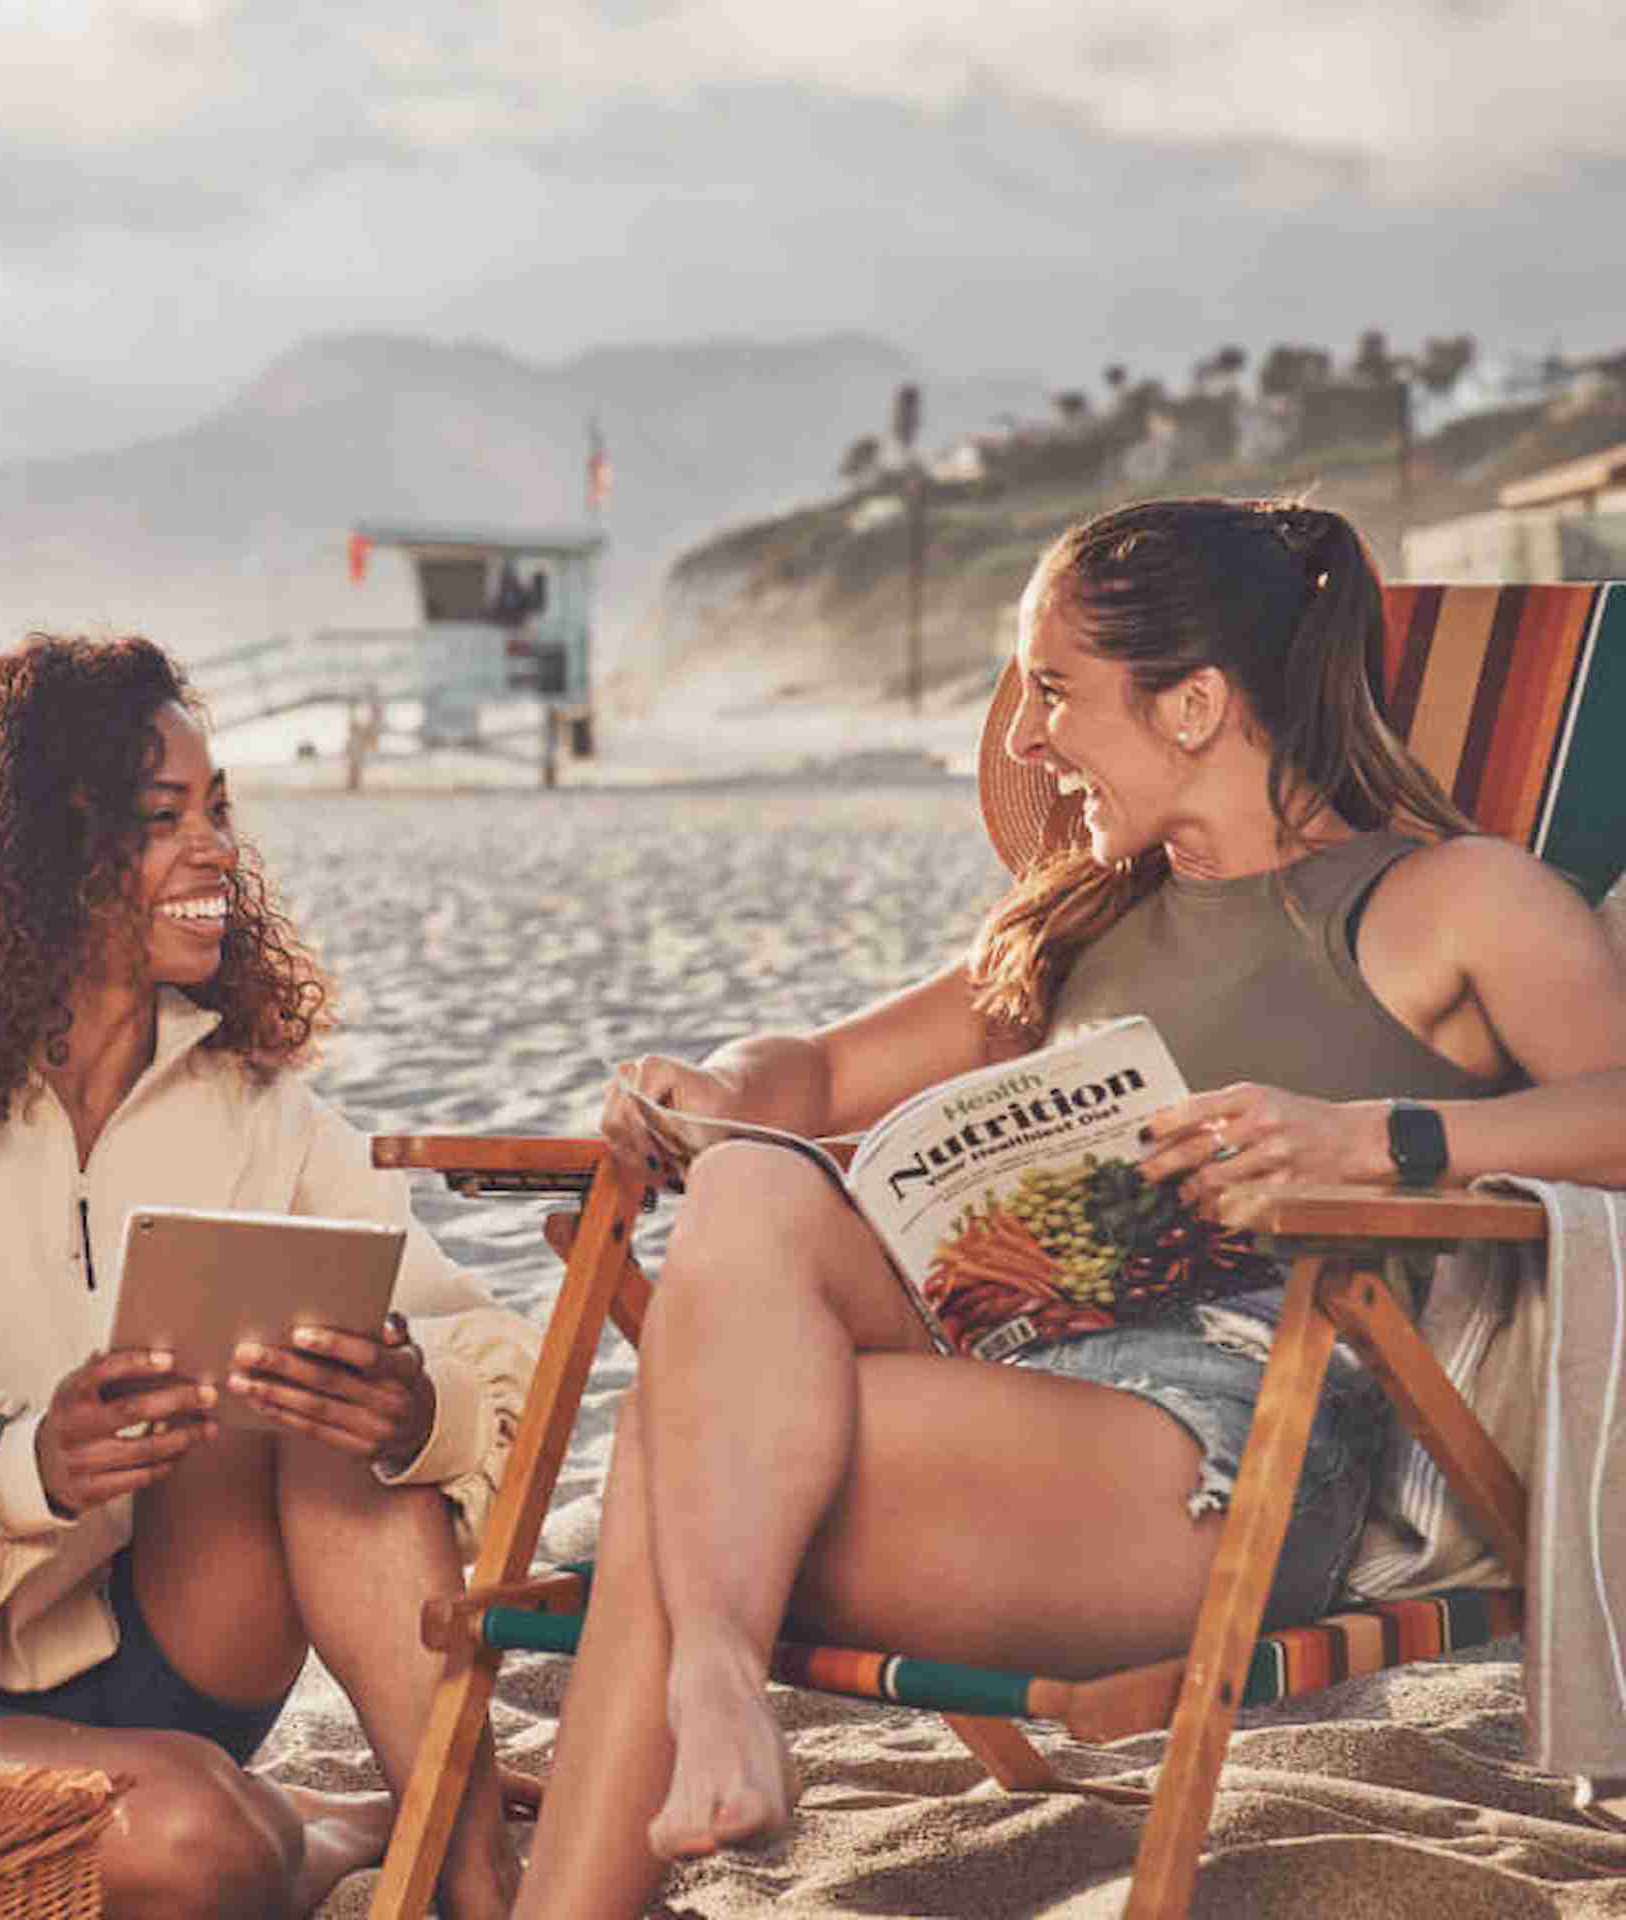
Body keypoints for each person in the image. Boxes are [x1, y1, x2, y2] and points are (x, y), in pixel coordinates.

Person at [508, 496, 1626, 1916]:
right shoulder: (1081, 920)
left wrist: (1383, 1139)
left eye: (1052, 692)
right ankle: (718, 1673)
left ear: (1197, 705)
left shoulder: (1452, 899)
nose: (1028, 743)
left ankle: (663, 1743)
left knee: (683, 1451)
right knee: (747, 1183)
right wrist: (714, 1084)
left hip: (1229, 1463)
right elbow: (823, 1069)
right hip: (1012, 1395)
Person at [0, 634, 540, 1920]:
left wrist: (413, 1404)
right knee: (206, 1847)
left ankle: (471, 1872)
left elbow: (486, 1349)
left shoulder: (252, 1103)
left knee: (339, 1394)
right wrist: (30, 1467)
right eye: (162, 818)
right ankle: (324, 1834)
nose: (217, 848)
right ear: (35, 857)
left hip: (189, 1642)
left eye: (217, 809)